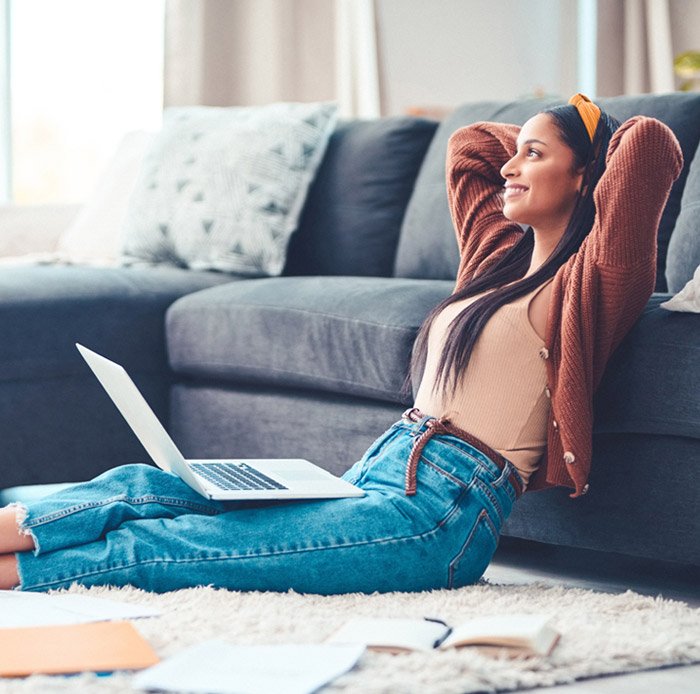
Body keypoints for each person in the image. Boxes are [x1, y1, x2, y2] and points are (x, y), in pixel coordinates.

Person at [0, 95, 683, 595]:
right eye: (519, 151)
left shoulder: (590, 284)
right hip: (371, 475)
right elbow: (470, 147)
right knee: (147, 487)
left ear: (587, 177)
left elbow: (650, 147)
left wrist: (593, 127)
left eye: (535, 156)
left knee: (173, 545)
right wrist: (539, 143)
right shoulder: (493, 263)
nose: (509, 166)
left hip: (434, 520)